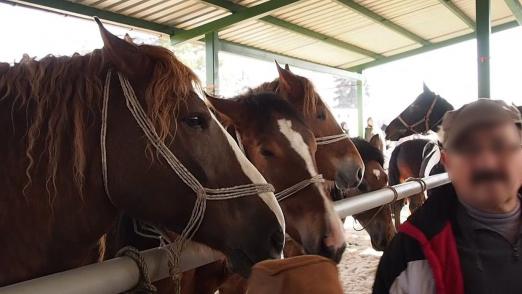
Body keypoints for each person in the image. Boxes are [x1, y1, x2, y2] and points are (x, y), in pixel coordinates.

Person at [373, 99, 522, 294]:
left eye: (501, 145)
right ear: (447, 162)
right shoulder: (408, 252)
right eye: (470, 150)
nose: (487, 162)